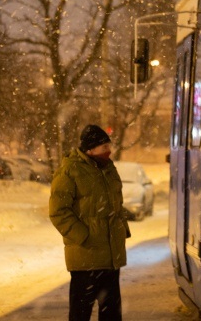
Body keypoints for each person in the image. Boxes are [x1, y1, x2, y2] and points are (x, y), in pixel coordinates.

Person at [49, 124, 130, 321]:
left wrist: (121, 229)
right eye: (104, 148)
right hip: (86, 258)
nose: (108, 151)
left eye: (109, 147)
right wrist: (84, 236)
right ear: (90, 149)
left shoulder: (109, 169)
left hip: (111, 257)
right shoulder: (70, 171)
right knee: (80, 314)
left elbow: (117, 206)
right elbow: (58, 212)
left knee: (111, 314)